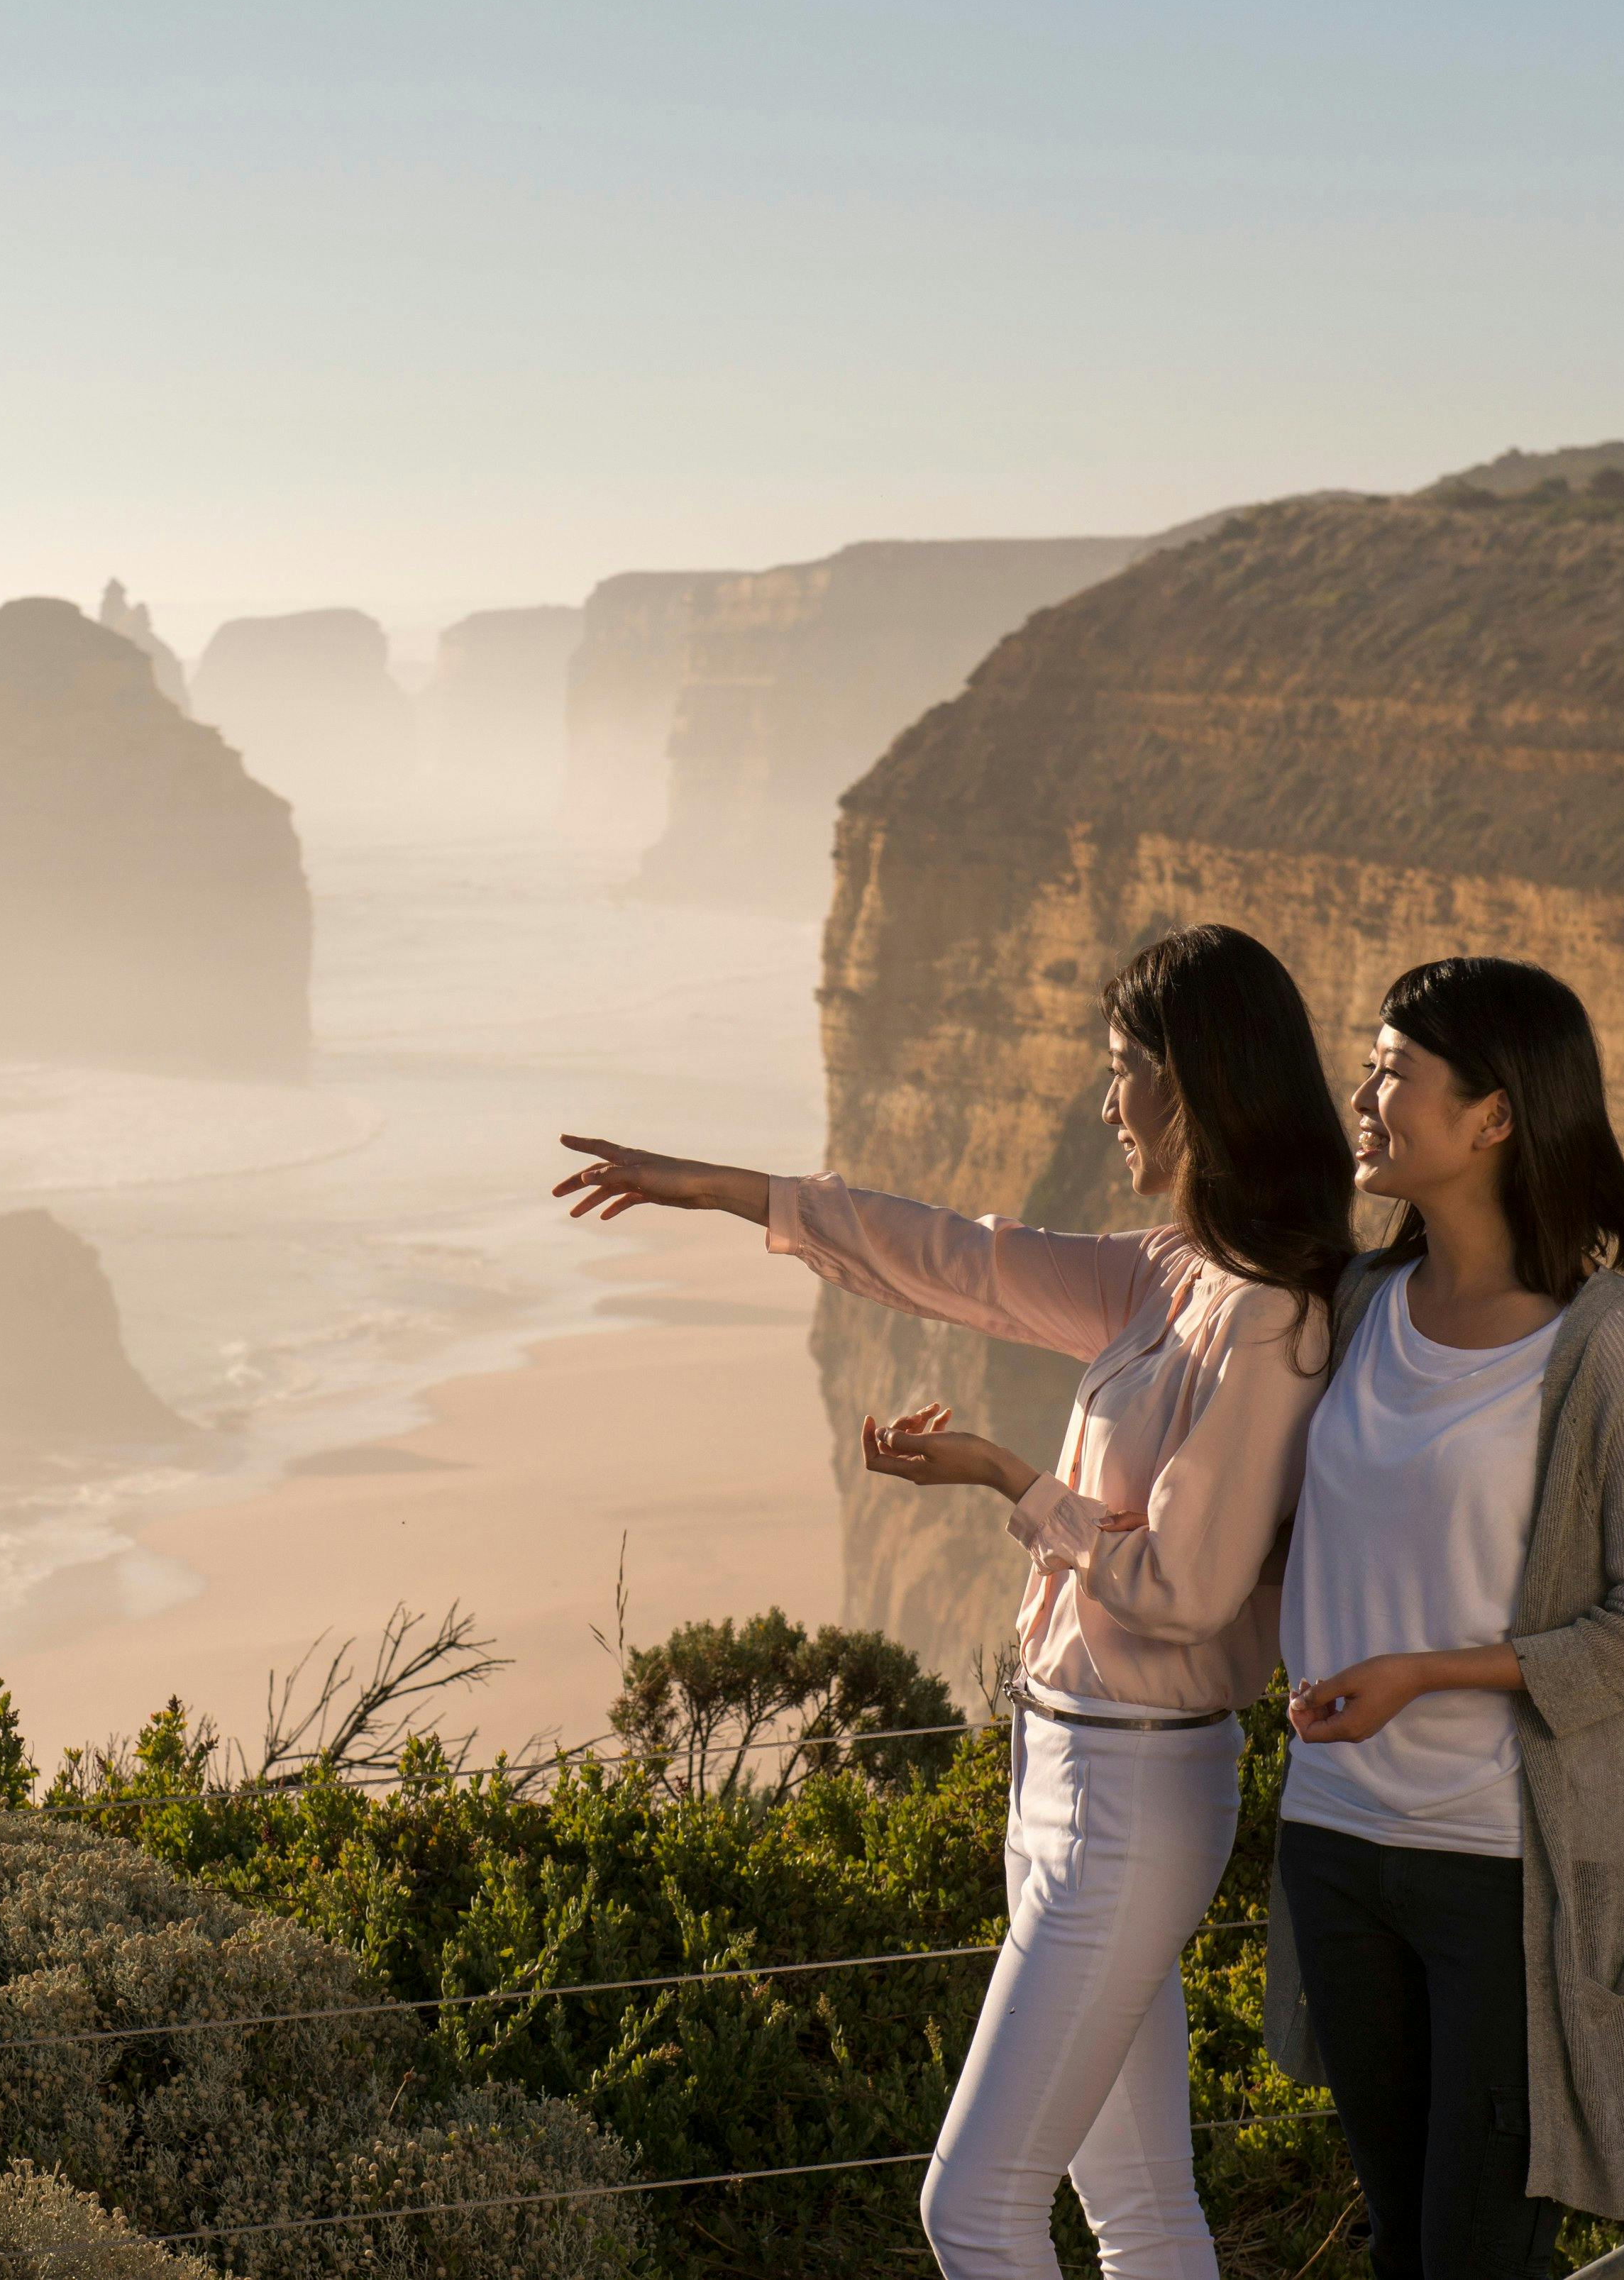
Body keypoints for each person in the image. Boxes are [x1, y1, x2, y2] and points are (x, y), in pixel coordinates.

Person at [553, 923, 1351, 2280]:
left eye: (1123, 1073)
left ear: (1197, 1086)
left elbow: (1188, 1586)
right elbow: (959, 1259)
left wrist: (1006, 1479)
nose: (1105, 1104)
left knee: (972, 2211)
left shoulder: (1264, 1320)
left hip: (1135, 1794)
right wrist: (728, 1192)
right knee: (1141, 2211)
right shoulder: (1166, 1274)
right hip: (1065, 1770)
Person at [1270, 956, 1624, 2276]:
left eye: (1398, 1070)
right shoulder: (1357, 1308)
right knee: (1407, 2243)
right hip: (1334, 1848)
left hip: (1500, 1875)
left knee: (1475, 2256)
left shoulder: (1599, 1342)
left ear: (1497, 1117)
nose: (1365, 1092)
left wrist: (1435, 1672)